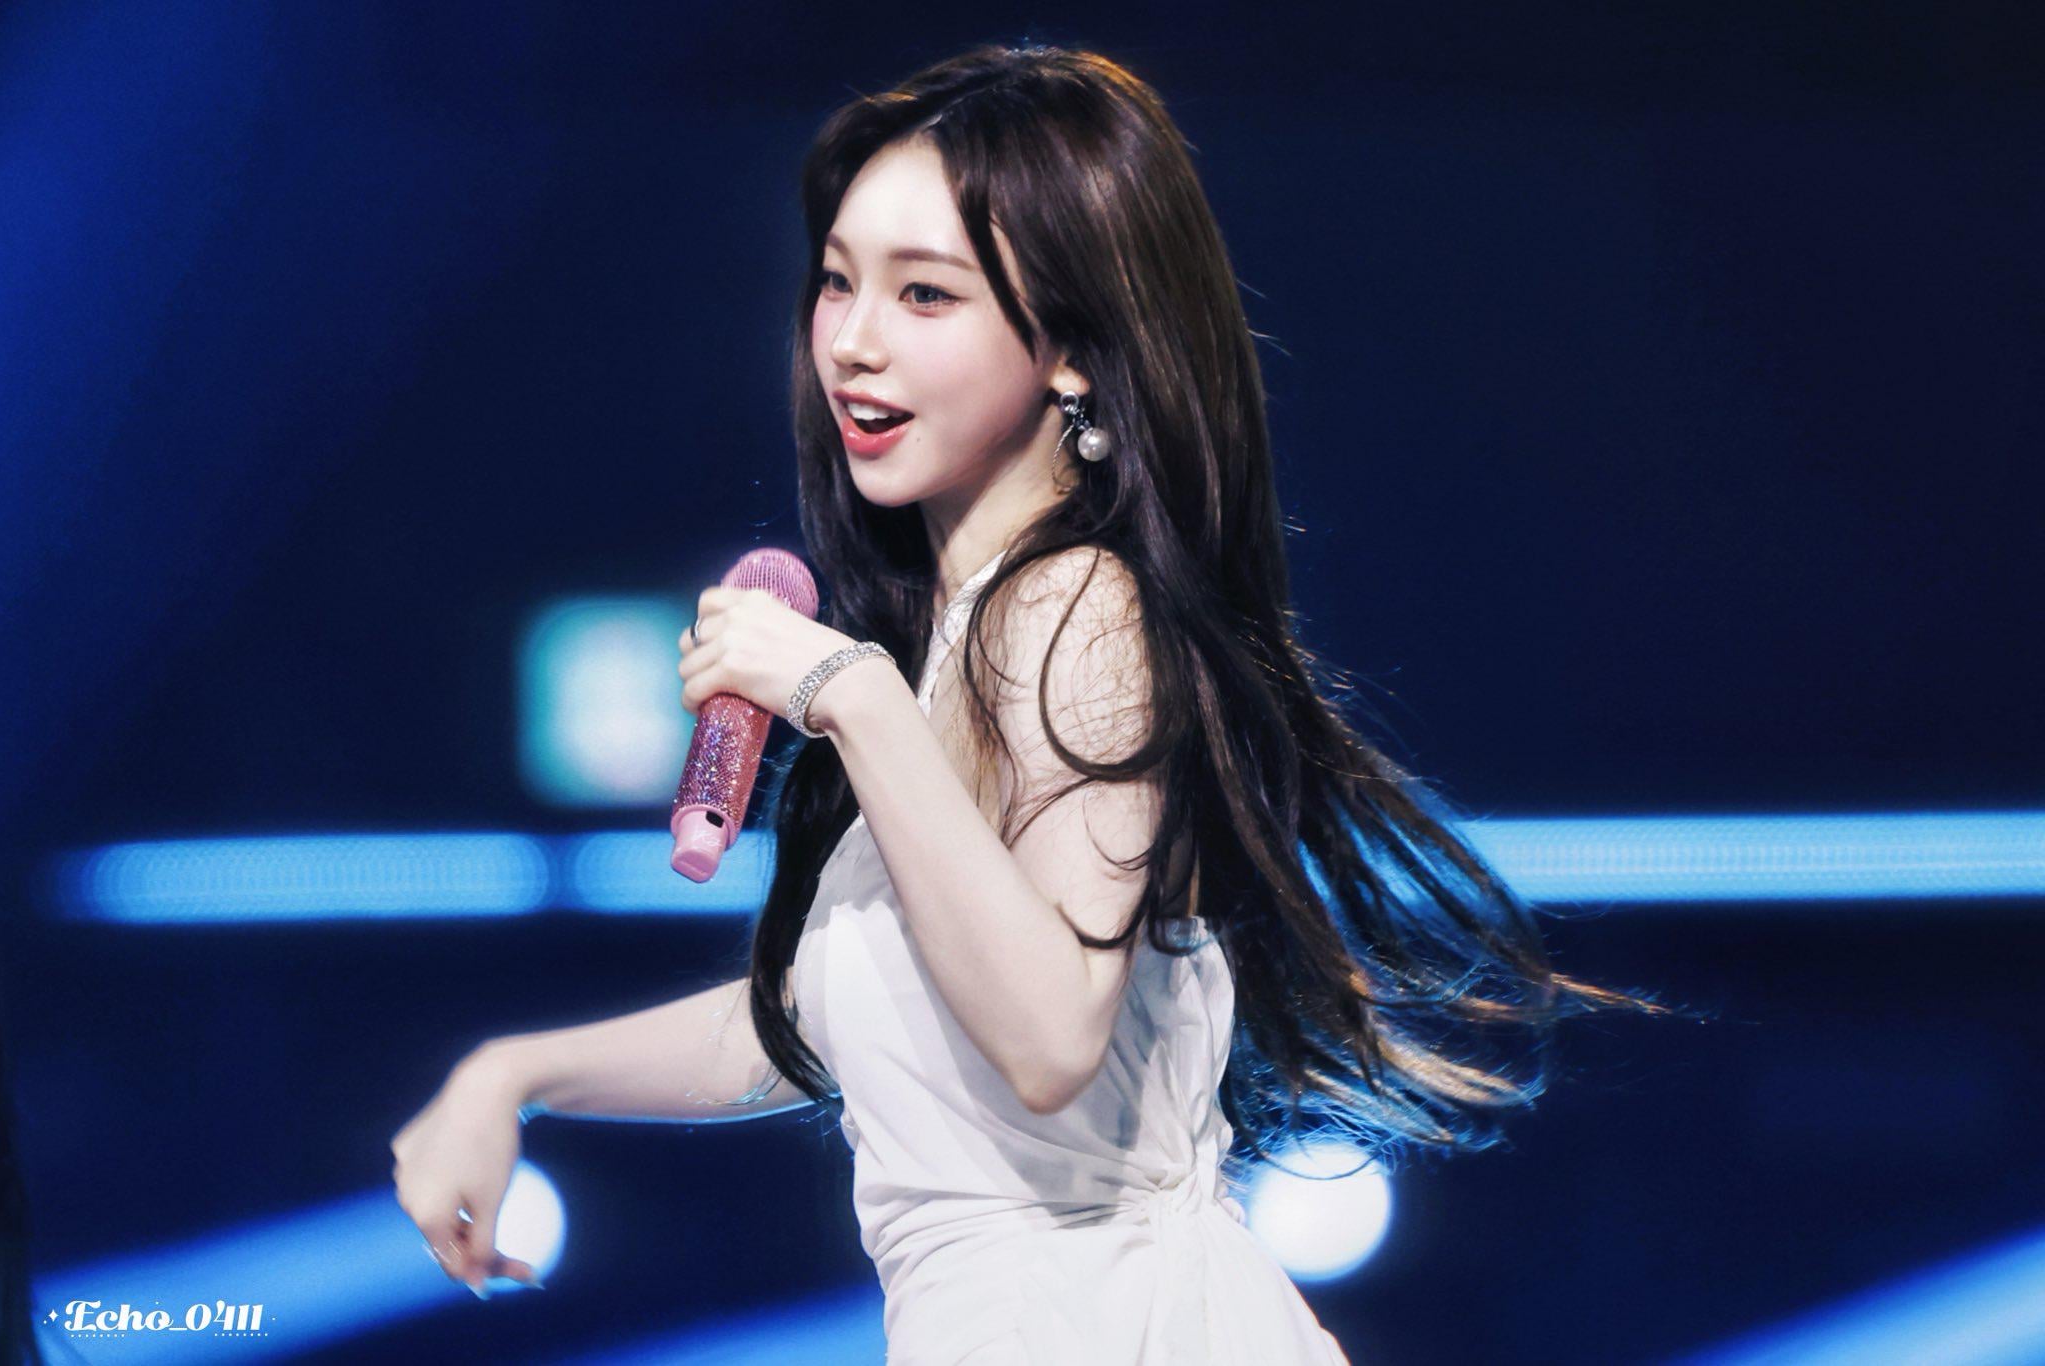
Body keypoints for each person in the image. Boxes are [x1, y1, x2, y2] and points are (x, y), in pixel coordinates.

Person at [392, 42, 1675, 1360]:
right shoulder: (966, 629)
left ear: (1068, 347)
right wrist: (517, 1073)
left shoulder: (1080, 607)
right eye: (837, 281)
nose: (854, 342)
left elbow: (1051, 1034)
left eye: (925, 294)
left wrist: (845, 692)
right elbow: (831, 1018)